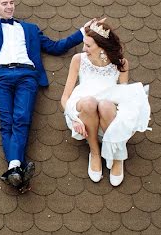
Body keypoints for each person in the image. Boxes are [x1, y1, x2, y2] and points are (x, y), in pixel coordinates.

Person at [0, 0, 92, 192]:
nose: (9, 6)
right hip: (0, 76)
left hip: (26, 76)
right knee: (7, 121)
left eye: (11, 2)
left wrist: (83, 32)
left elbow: (56, 47)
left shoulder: (30, 29)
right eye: (4, 3)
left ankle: (14, 168)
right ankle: (16, 170)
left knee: (21, 118)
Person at [60, 20, 151, 186]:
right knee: (89, 102)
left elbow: (123, 97)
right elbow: (65, 98)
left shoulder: (121, 64)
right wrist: (74, 118)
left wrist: (127, 123)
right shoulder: (78, 60)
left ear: (101, 46)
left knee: (106, 104)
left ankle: (116, 154)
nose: (83, 49)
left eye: (88, 45)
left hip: (108, 115)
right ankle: (95, 152)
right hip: (83, 113)